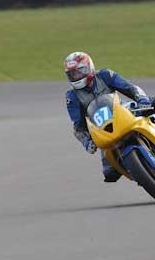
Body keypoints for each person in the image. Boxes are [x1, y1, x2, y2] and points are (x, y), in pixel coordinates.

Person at [64, 51, 151, 182]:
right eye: (72, 74)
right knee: (110, 173)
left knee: (152, 103)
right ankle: (142, 174)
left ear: (89, 68)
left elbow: (130, 88)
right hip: (103, 129)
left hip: (124, 112)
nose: (76, 76)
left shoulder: (105, 75)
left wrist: (143, 100)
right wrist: (87, 142)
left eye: (79, 72)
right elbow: (78, 127)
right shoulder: (72, 96)